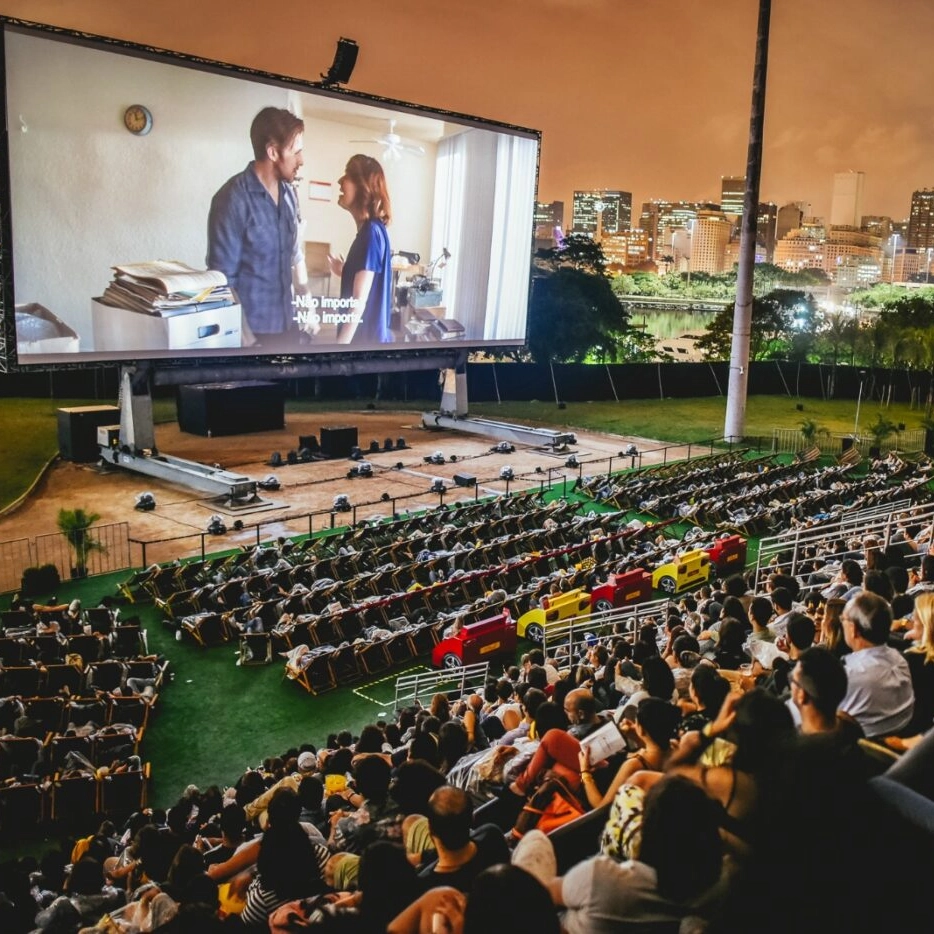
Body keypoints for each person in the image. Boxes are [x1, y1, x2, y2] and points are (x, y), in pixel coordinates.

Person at [207, 106, 309, 346]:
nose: (301, 160)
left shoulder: (289, 194)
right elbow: (223, 281)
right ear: (273, 152)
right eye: (296, 152)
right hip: (253, 338)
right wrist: (249, 343)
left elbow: (295, 254)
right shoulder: (232, 198)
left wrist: (308, 307)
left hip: (288, 326)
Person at [328, 154, 393, 345]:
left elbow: (358, 303)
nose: (340, 181)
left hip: (361, 349)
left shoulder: (371, 233)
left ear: (363, 187)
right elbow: (366, 282)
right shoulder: (372, 230)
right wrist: (346, 270)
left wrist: (338, 352)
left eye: (347, 175)